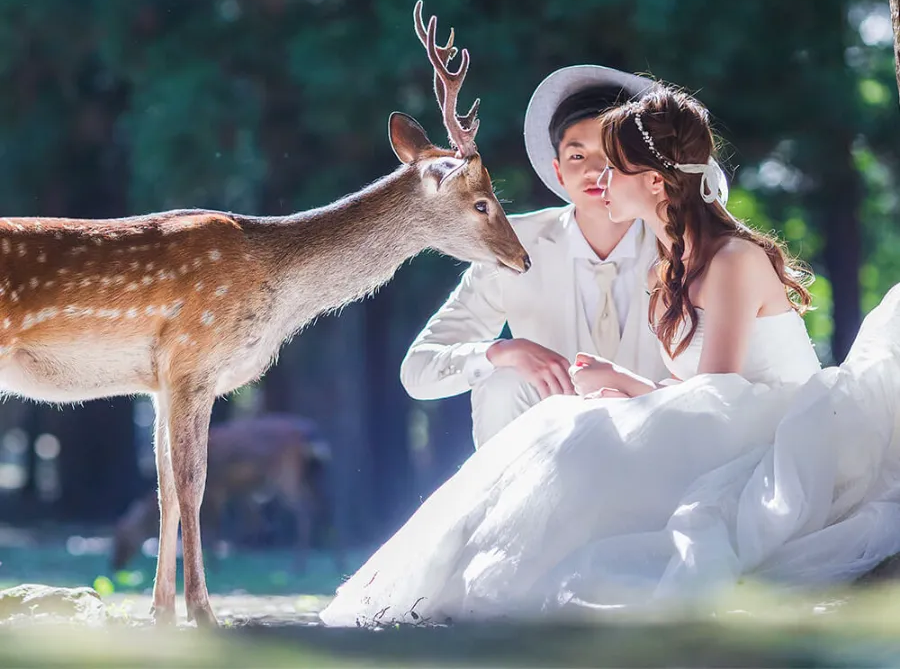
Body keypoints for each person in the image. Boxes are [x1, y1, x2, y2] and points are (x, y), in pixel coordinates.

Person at [320, 85, 900, 626]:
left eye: (613, 166)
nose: (600, 178)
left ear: (653, 181)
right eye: (585, 162)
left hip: (776, 431)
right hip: (713, 422)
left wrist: (623, 385)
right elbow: (699, 394)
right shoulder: (663, 265)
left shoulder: (728, 260)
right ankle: (449, 582)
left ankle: (510, 583)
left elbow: (722, 398)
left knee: (578, 435)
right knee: (560, 425)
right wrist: (587, 374)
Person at [400, 65, 670, 448]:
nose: (595, 171)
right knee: (502, 381)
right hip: (547, 458)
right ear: (558, 173)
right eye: (577, 157)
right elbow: (419, 369)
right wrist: (502, 351)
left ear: (640, 166)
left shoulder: (679, 246)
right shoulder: (512, 246)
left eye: (610, 155)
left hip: (659, 448)